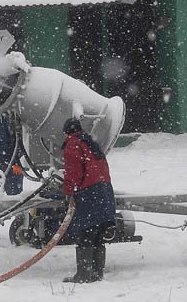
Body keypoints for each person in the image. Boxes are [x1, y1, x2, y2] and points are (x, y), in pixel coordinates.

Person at [61, 117, 116, 283]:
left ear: (67, 132)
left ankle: (84, 275)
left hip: (89, 192)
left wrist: (69, 191)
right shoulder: (91, 142)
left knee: (85, 233)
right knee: (98, 234)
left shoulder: (73, 144)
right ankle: (97, 273)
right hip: (105, 190)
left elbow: (73, 171)